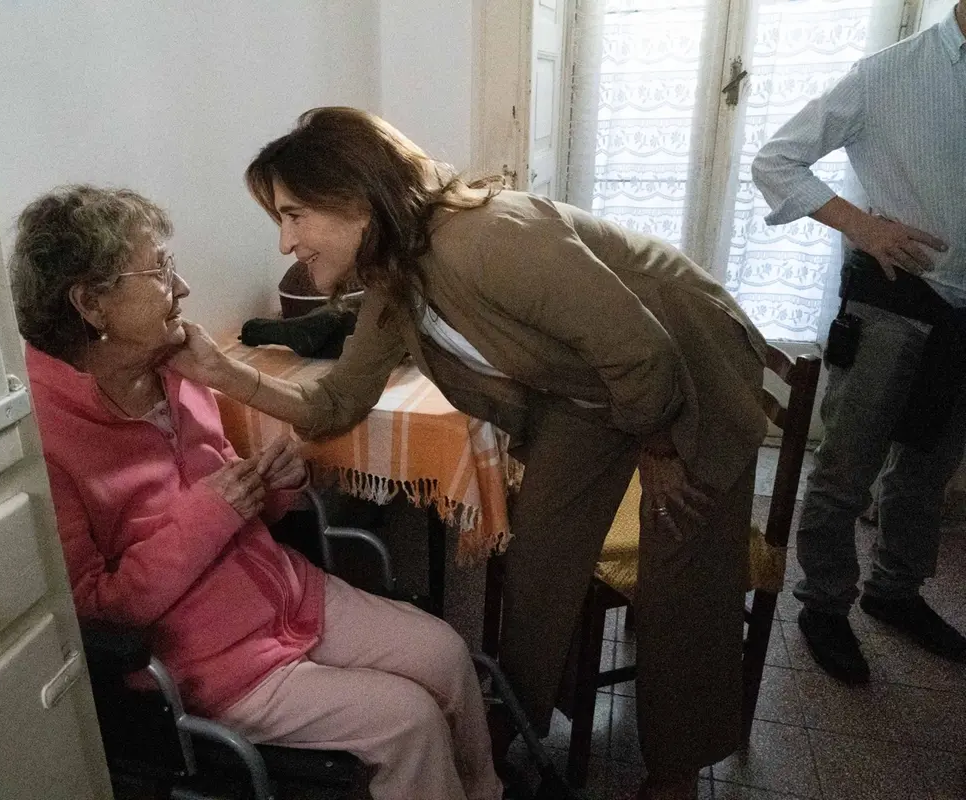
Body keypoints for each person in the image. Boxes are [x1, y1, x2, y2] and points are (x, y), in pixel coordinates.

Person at [171, 108, 770, 800]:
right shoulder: (396, 277)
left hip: (687, 362)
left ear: (356, 198)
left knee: (682, 573)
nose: (284, 241)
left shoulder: (484, 239)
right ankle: (512, 722)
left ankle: (675, 775)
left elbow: (642, 349)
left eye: (294, 214)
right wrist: (220, 371)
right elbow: (337, 403)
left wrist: (661, 446)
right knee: (540, 555)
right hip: (593, 388)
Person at [9, 185, 502, 800]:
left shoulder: (176, 373)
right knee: (407, 721)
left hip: (286, 594)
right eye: (160, 269)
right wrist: (213, 512)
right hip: (210, 663)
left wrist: (272, 489)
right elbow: (97, 611)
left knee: (447, 654)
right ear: (91, 304)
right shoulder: (42, 441)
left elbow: (234, 499)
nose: (182, 286)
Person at [752, 2, 966, 684]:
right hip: (891, 307)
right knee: (848, 468)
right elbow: (777, 161)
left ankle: (895, 592)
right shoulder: (886, 73)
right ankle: (823, 604)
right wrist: (862, 227)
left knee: (927, 473)